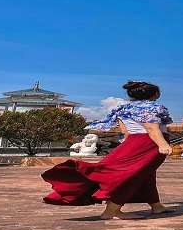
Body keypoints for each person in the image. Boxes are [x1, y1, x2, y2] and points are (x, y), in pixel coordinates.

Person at [42, 81, 174, 220]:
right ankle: (112, 210)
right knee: (132, 176)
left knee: (146, 173)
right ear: (154, 94)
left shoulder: (123, 108)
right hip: (148, 144)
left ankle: (156, 206)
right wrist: (163, 145)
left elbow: (126, 132)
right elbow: (151, 128)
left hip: (132, 143)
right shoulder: (152, 107)